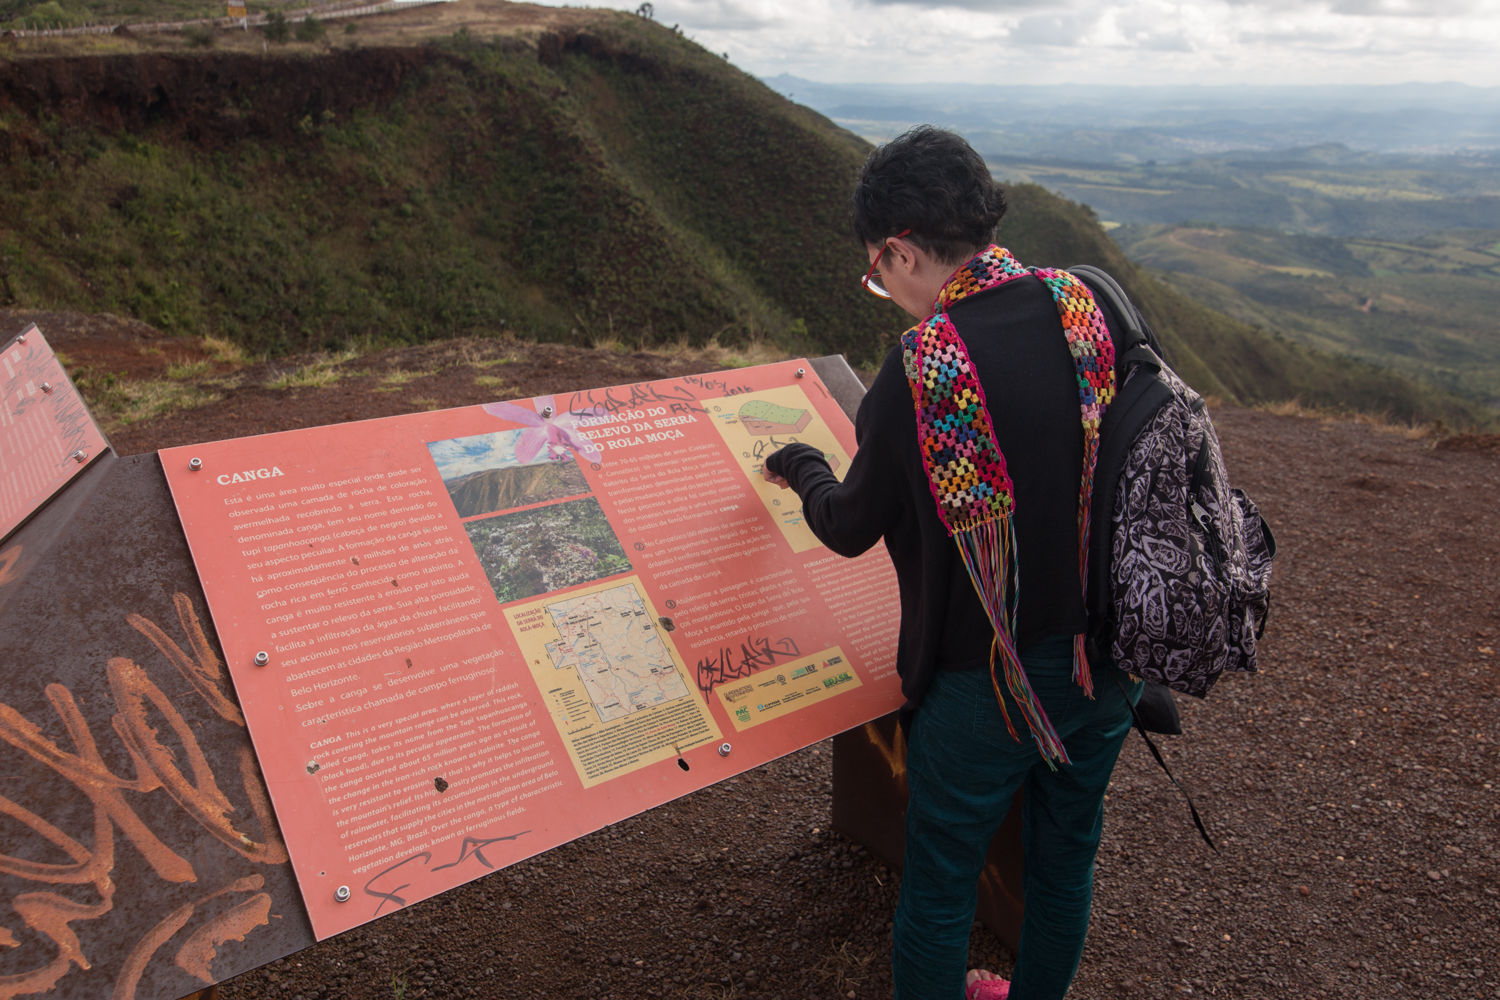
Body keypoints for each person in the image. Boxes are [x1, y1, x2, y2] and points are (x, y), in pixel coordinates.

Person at [762, 126, 1142, 1000]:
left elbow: (850, 525)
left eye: (876, 270)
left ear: (899, 250)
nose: (883, 288)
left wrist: (803, 468)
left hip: (988, 682)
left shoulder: (924, 368)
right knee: (1065, 860)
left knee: (938, 885)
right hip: (1109, 656)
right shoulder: (1087, 307)